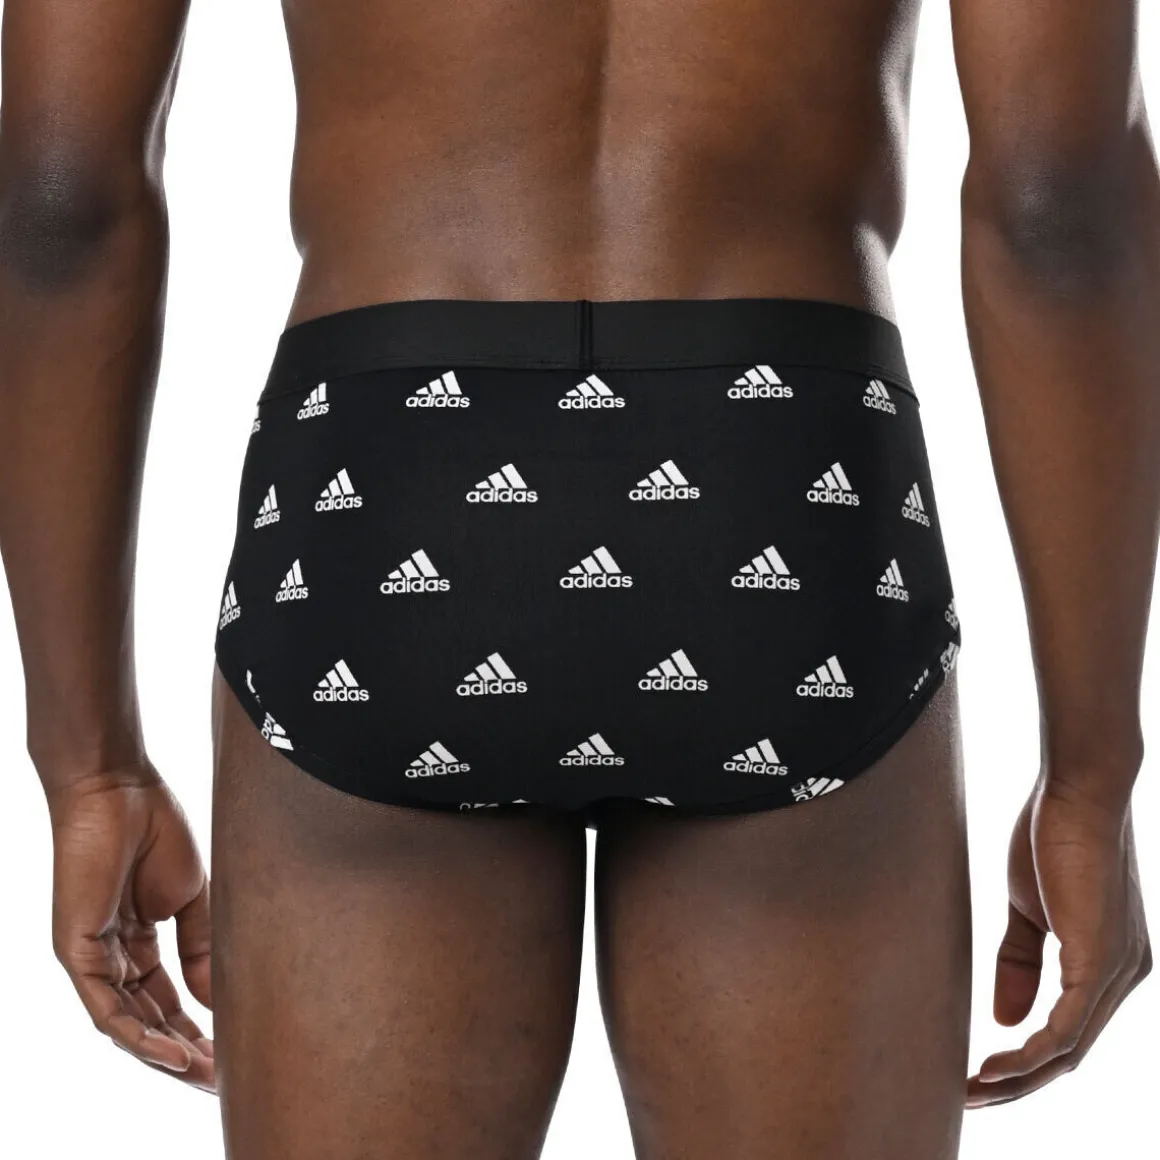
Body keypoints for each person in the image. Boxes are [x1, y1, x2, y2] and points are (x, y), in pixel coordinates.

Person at [0, 0, 1154, 1155]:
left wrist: (89, 761)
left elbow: (60, 198)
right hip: (780, 478)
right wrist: (1091, 771)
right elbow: (1057, 196)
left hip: (391, 483)